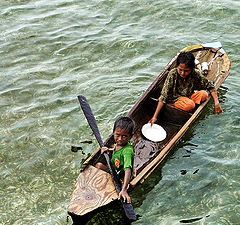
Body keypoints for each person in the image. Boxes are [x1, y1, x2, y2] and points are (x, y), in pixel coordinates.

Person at [149, 51, 223, 125]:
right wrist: (155, 117)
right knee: (190, 105)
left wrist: (216, 103)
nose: (182, 73)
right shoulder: (172, 74)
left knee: (204, 94)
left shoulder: (195, 73)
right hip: (174, 99)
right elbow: (163, 96)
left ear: (192, 69)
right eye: (180, 70)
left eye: (186, 71)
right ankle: (172, 105)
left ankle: (188, 105)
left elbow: (210, 86)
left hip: (187, 97)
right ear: (177, 66)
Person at [95, 116, 135, 203]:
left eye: (124, 136)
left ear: (130, 136)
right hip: (115, 170)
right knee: (98, 165)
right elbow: (117, 149)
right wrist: (108, 150)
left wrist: (124, 190)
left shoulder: (127, 151)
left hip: (122, 177)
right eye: (117, 135)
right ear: (113, 132)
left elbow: (127, 170)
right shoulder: (118, 144)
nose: (120, 139)